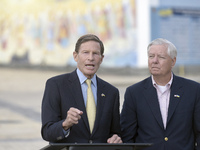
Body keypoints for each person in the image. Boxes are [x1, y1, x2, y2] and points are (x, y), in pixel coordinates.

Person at [120, 38, 200, 150]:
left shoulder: (193, 90)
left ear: (173, 61)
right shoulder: (134, 93)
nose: (154, 61)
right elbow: (127, 136)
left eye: (161, 57)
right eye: (151, 56)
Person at [41, 34, 122, 144]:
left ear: (101, 59)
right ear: (75, 56)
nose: (91, 58)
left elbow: (115, 132)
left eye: (95, 53)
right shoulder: (56, 85)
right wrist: (65, 124)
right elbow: (47, 132)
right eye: (85, 52)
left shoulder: (111, 92)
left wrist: (115, 138)